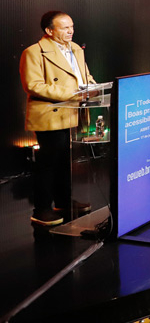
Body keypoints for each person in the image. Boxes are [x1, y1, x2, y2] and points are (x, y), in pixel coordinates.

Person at [19, 11, 96, 227]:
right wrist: (71, 93)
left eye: (71, 26)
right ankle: (41, 210)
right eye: (64, 28)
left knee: (64, 161)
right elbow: (33, 85)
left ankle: (63, 202)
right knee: (48, 164)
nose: (70, 31)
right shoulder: (34, 52)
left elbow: (84, 76)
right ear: (49, 31)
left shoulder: (75, 49)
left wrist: (93, 87)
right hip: (50, 113)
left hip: (73, 111)